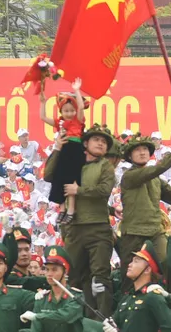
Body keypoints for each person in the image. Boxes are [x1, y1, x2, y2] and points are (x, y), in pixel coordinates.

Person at [117, 132, 171, 295]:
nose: (142, 152)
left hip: (155, 231)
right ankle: (126, 307)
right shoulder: (129, 176)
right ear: (130, 155)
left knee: (169, 263)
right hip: (133, 233)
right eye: (137, 150)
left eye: (145, 149)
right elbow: (158, 168)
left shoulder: (154, 178)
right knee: (130, 274)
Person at [43, 124, 116, 317]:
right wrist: (57, 148)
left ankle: (103, 323)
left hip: (98, 228)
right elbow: (49, 175)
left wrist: (79, 191)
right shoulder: (72, 160)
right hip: (73, 229)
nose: (100, 144)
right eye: (96, 140)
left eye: (104, 142)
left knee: (100, 276)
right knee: (74, 276)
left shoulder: (105, 166)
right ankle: (76, 318)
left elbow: (104, 191)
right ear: (85, 143)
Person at [39, 78, 87, 224]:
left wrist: (77, 90)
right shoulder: (59, 123)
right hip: (63, 150)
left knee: (71, 181)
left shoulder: (78, 121)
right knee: (58, 179)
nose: (70, 113)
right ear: (61, 111)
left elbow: (80, 107)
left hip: (76, 151)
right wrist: (42, 102)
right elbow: (42, 117)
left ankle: (71, 210)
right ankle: (62, 209)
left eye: (71, 110)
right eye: (66, 111)